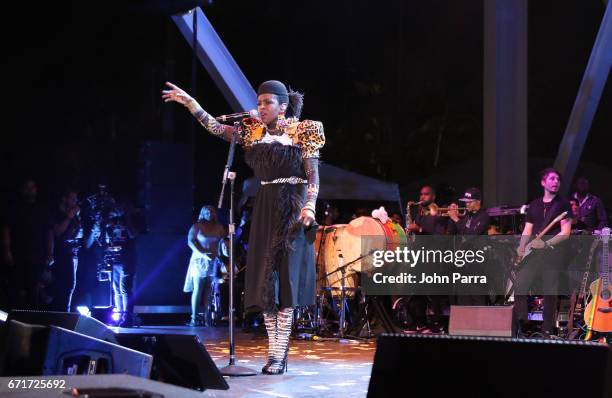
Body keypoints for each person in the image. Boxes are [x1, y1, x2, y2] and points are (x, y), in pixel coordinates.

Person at [163, 79, 324, 374]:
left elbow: (313, 175)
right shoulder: (252, 132)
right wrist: (190, 103)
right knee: (265, 280)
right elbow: (214, 127)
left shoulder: (304, 130)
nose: (261, 107)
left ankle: (278, 354)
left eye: (267, 102)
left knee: (285, 279)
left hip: (293, 206)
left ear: (283, 106)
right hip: (264, 206)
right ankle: (273, 352)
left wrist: (310, 205)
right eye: (259, 102)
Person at [514, 168, 572, 337]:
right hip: (534, 253)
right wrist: (521, 247)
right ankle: (523, 324)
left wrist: (546, 244)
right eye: (552, 179)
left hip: (553, 253)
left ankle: (547, 329)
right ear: (543, 182)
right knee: (520, 284)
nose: (556, 182)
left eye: (558, 180)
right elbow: (528, 229)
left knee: (550, 290)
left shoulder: (563, 204)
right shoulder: (535, 204)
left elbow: (565, 232)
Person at [1, 179, 49, 310]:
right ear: (22, 190)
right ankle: (17, 321)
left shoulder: (41, 209)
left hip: (37, 255)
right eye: (27, 187)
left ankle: (33, 320)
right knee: (17, 290)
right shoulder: (14, 208)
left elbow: (48, 231)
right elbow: (6, 229)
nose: (30, 190)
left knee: (35, 290)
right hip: (19, 255)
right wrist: (7, 251)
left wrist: (49, 252)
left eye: (32, 187)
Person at [184, 205, 226, 327]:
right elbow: (190, 241)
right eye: (207, 212)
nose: (210, 214)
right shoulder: (197, 226)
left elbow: (224, 241)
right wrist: (202, 253)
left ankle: (208, 317)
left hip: (213, 261)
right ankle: (194, 317)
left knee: (209, 289)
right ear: (202, 213)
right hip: (199, 261)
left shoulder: (219, 227)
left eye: (212, 212)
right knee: (198, 287)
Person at [447, 187, 490, 305]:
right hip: (464, 259)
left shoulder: (483, 216)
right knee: (463, 296)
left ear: (478, 202)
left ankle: (480, 322)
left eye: (469, 201)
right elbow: (452, 232)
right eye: (465, 201)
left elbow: (471, 234)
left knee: (477, 294)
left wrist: (455, 218)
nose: (466, 204)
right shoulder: (467, 216)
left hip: (477, 260)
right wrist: (452, 217)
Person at [48, 189, 83, 312]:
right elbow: (57, 233)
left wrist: (77, 221)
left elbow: (76, 234)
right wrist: (69, 217)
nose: (75, 202)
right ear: (65, 199)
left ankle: (65, 314)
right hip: (60, 255)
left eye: (76, 199)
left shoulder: (74, 217)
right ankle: (59, 315)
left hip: (71, 254)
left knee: (70, 286)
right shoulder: (59, 214)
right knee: (62, 286)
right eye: (72, 198)